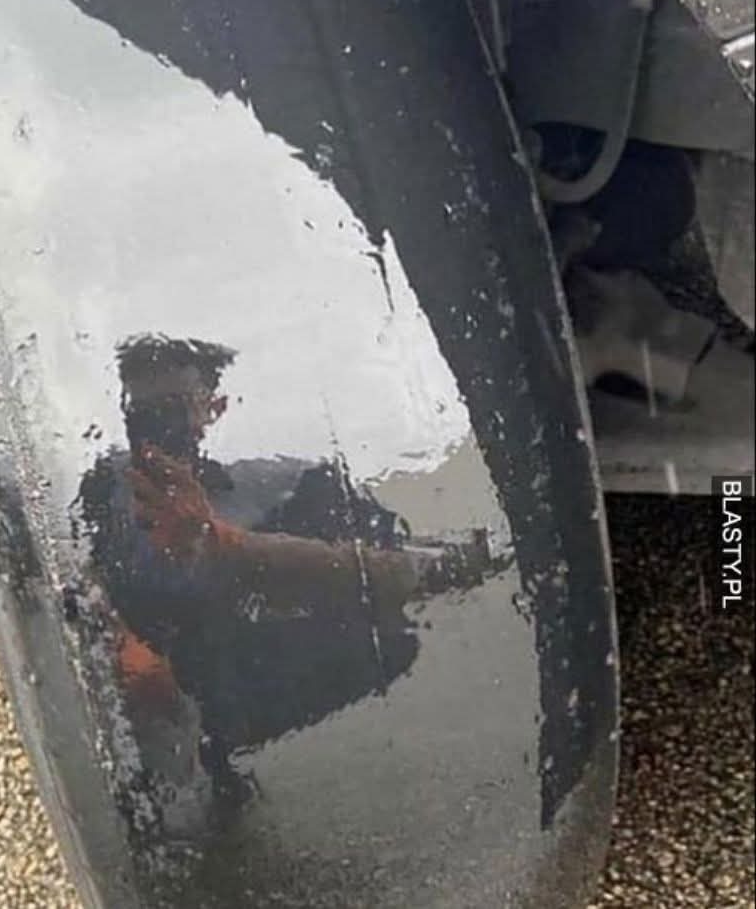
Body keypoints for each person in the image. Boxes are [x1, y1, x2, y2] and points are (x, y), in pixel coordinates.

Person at [73, 334, 493, 831]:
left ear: (213, 408)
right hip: (136, 727)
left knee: (395, 640)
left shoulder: (287, 487)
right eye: (141, 414)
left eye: (173, 409)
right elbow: (78, 579)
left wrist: (225, 546)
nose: (157, 428)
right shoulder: (102, 489)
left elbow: (390, 573)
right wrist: (122, 639)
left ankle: (223, 755)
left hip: (242, 682)